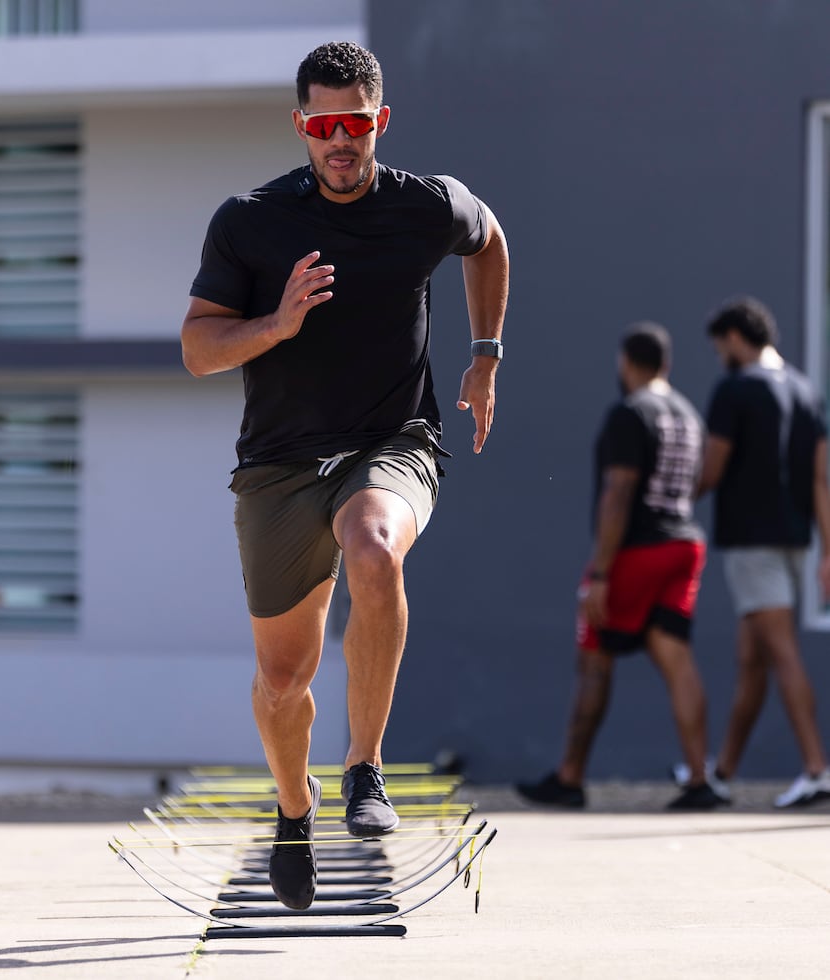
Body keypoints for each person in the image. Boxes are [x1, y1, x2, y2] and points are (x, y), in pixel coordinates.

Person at [180, 40, 509, 909]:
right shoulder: (249, 222)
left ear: (379, 122)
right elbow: (197, 348)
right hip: (281, 465)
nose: (340, 141)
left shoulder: (426, 205)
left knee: (374, 548)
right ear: (301, 126)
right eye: (323, 125)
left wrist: (484, 355)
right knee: (282, 683)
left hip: (392, 443)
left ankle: (366, 768)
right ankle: (296, 807)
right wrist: (276, 325)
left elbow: (491, 240)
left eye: (354, 125)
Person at [516, 324, 726, 811]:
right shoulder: (688, 415)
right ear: (666, 364)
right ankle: (700, 779)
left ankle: (569, 778)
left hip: (637, 550)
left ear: (628, 362)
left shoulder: (631, 412)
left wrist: (602, 574)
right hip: (685, 544)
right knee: (677, 660)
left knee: (594, 659)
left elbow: (619, 493)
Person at [690, 296, 830, 808]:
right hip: (796, 539)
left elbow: (713, 468)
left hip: (753, 542)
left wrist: (671, 502)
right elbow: (819, 478)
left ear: (734, 338)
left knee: (781, 652)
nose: (719, 355)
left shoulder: (735, 388)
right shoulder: (806, 388)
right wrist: (828, 553)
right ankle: (720, 774)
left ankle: (816, 769)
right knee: (752, 660)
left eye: (719, 345)